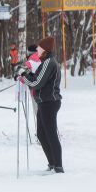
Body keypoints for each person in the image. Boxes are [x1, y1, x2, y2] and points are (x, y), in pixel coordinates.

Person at [17, 36, 63, 173]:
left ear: (45, 49)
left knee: (50, 134)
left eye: (39, 48)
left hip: (49, 102)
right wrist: (24, 73)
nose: (37, 49)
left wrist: (24, 77)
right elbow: (36, 78)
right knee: (42, 135)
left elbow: (36, 83)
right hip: (44, 102)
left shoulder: (49, 63)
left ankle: (58, 166)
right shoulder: (45, 62)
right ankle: (52, 163)